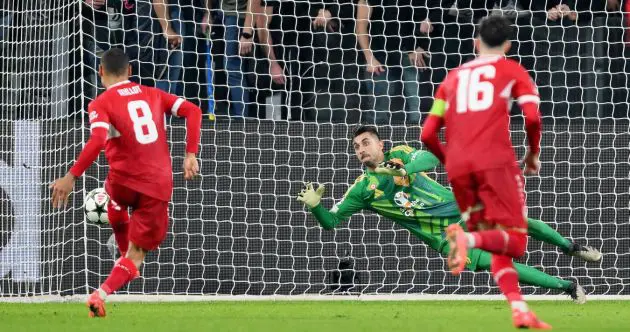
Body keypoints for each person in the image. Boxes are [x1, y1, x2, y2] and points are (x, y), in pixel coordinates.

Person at [297, 126, 600, 305]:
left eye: (366, 143)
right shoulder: (361, 190)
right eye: (356, 147)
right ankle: (568, 286)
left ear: (380, 145)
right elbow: (332, 222)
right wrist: (315, 207)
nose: (361, 149)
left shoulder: (401, 154)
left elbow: (429, 156)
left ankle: (569, 246)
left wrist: (404, 170)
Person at [49, 48, 202, 317]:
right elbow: (193, 110)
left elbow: (97, 141)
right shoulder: (154, 94)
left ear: (100, 72)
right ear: (130, 71)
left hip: (121, 184)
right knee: (136, 259)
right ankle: (102, 292)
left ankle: (118, 224)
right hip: (156, 185)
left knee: (113, 191)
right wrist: (190, 154)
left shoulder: (100, 103)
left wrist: (71, 176)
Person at [420, 16, 550, 328]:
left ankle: (519, 308)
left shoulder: (452, 78)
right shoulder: (511, 69)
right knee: (516, 243)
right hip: (495, 165)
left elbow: (427, 134)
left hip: (459, 171)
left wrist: (449, 160)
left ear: (475, 42)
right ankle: (468, 240)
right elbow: (532, 118)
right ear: (507, 45)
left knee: (498, 241)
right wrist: (532, 154)